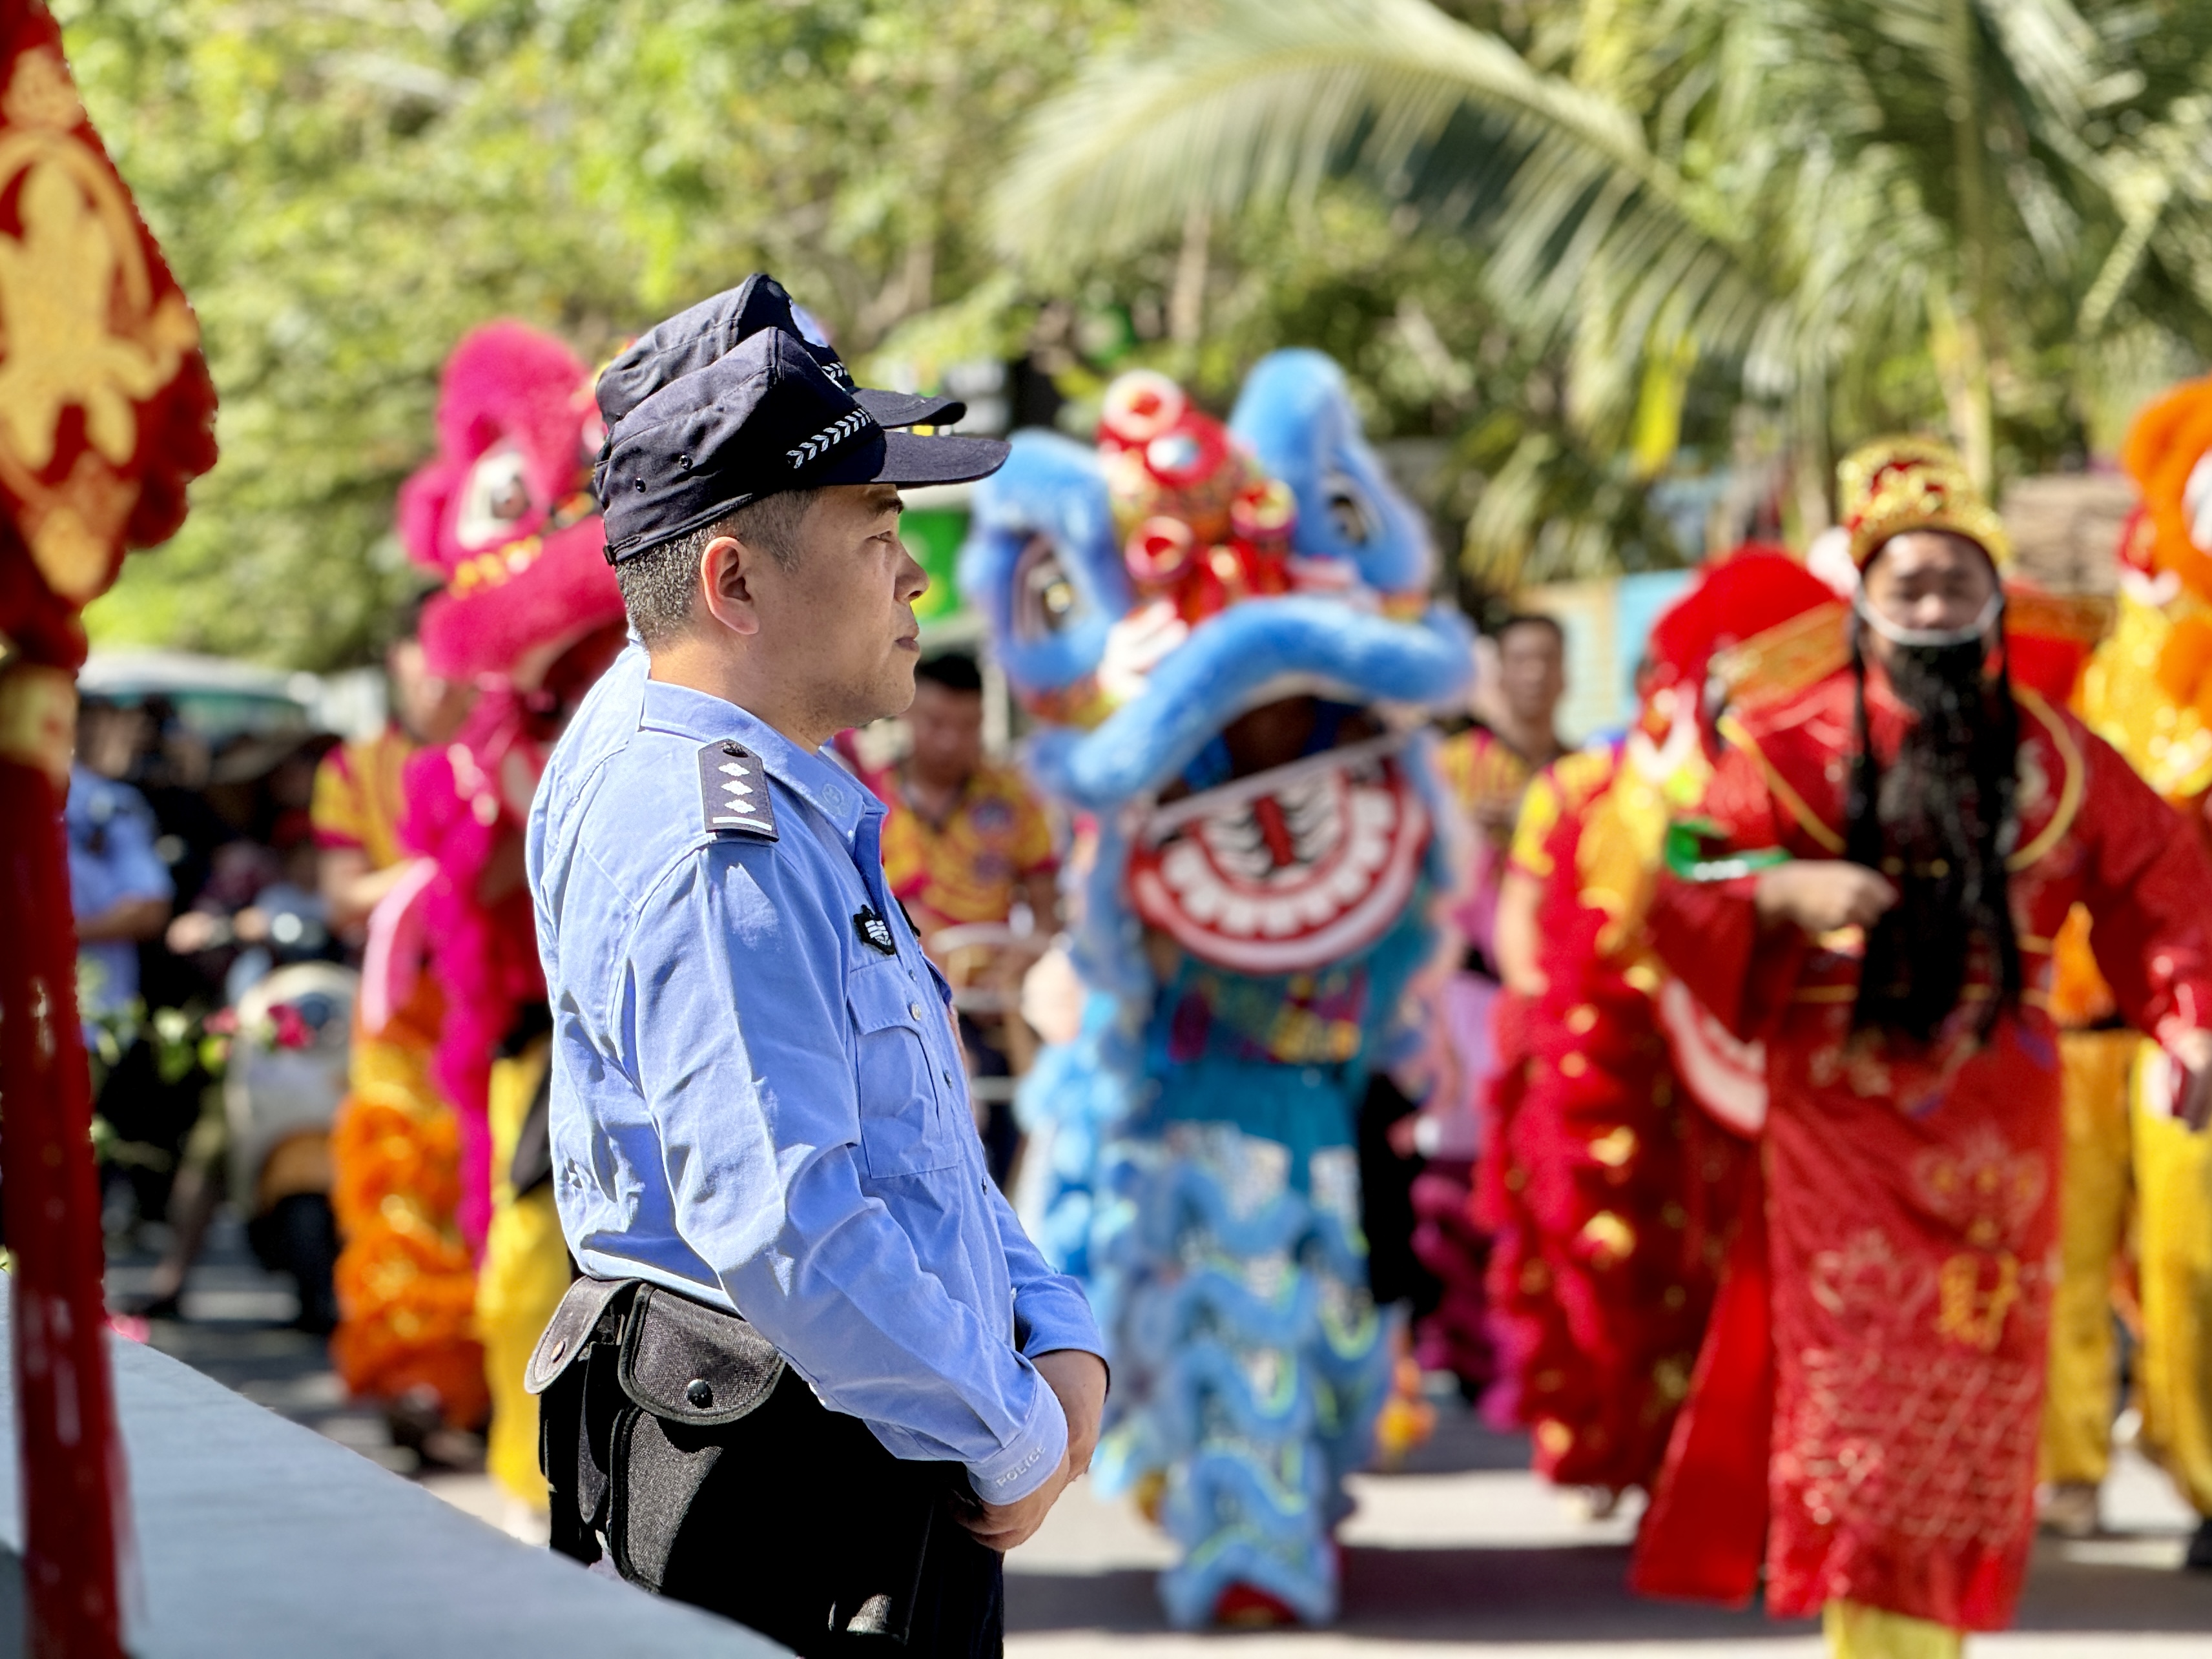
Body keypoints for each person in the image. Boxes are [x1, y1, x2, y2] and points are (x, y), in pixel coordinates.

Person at [526, 322, 1106, 1655]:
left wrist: (1049, 1320)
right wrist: (1013, 1431)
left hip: (839, 1451)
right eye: (876, 532)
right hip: (805, 1495)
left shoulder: (741, 771)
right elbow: (792, 1228)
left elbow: (908, 1146)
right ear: (733, 581)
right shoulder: (711, 836)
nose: (915, 575)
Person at [1639, 438, 2212, 1658]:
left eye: (1960, 579)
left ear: (1996, 597)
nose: (1937, 603)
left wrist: (2189, 1017)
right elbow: (1682, 861)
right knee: (1860, 1382)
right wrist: (1782, 890)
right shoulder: (1786, 741)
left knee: (1981, 1382)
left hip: (2003, 1117)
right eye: (1911, 581)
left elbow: (2166, 883)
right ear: (1864, 596)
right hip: (1840, 1110)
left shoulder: (2058, 754)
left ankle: (1928, 1636)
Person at [1407, 612, 1569, 1392]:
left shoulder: (1579, 770)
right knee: (1458, 1172)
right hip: (1464, 996)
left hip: (1554, 999)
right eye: (1520, 660)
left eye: (1548, 660)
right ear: (1496, 672)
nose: (1534, 675)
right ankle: (1457, 1346)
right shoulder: (1449, 766)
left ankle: (1529, 1345)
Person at [872, 650, 1059, 1186]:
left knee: (1025, 1144)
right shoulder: (866, 799)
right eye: (935, 722)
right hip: (896, 1009)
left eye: (968, 725)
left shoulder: (1015, 800)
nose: (950, 741)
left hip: (991, 1012)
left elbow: (1048, 916)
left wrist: (1015, 966)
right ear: (907, 712)